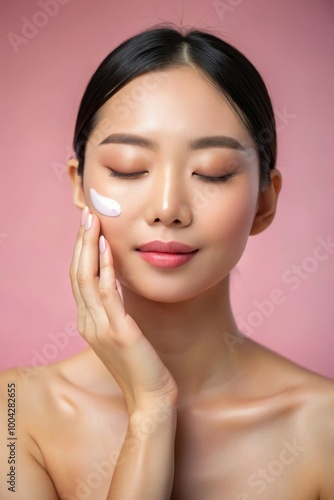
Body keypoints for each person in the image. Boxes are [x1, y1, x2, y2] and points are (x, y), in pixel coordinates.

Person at [0, 24, 333, 500]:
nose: (167, 207)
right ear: (78, 185)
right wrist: (151, 412)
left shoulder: (324, 427)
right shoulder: (11, 411)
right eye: (128, 168)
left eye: (213, 173)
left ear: (264, 202)